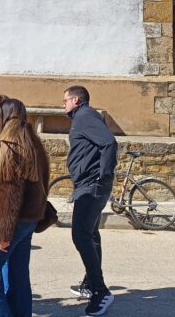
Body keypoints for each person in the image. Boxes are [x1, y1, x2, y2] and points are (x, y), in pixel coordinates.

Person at [0, 98, 50, 317]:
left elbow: (8, 193)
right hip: (28, 220)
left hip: (11, 223)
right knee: (18, 278)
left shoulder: (8, 145)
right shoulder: (33, 142)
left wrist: (2, 232)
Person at [64, 85, 118, 316]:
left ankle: (100, 291)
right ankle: (90, 283)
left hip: (92, 185)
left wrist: (103, 174)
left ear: (76, 100)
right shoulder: (83, 116)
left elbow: (109, 142)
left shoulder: (85, 116)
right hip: (89, 184)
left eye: (65, 100)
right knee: (91, 234)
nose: (63, 104)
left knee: (81, 234)